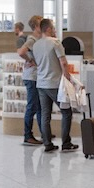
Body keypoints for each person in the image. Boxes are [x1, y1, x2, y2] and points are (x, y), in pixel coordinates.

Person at [31, 18, 77, 153]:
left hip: (41, 84)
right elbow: (63, 62)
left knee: (45, 114)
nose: (55, 30)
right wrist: (67, 77)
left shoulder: (36, 45)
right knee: (66, 112)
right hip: (55, 83)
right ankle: (66, 143)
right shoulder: (56, 43)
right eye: (54, 28)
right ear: (49, 29)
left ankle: (47, 144)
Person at [18, 14, 42, 146]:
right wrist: (30, 60)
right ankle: (28, 135)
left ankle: (43, 132)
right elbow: (21, 52)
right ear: (36, 26)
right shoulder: (32, 39)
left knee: (38, 106)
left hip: (35, 77)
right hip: (31, 77)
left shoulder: (38, 39)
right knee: (32, 106)